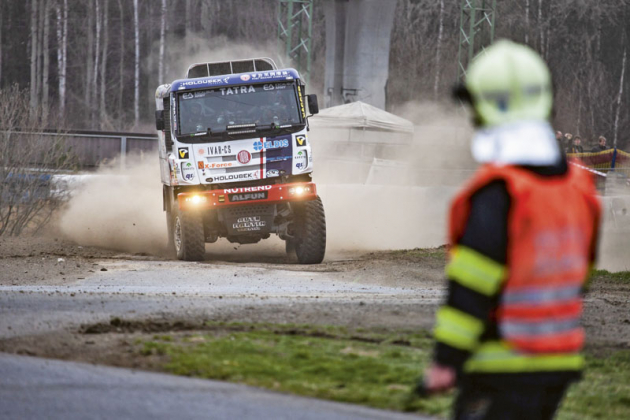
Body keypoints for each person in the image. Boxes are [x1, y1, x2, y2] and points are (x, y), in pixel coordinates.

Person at [422, 40, 601, 420]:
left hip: (501, 367)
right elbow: (580, 274)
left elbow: (471, 286)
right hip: (559, 363)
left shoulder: (499, 193)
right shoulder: (578, 187)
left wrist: (445, 362)